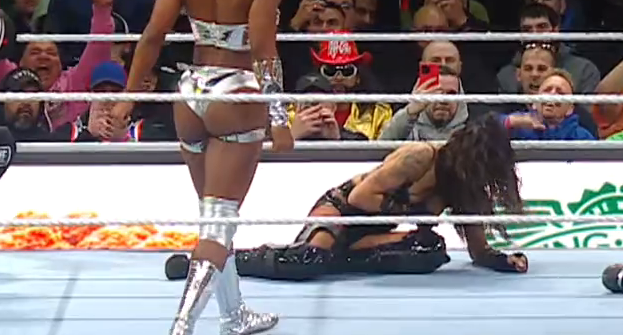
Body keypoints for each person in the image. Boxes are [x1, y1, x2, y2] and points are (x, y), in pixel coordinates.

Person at [124, 0, 292, 335]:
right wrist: (280, 117)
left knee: (213, 216)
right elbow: (264, 52)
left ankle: (234, 316)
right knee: (219, 221)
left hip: (190, 92)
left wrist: (131, 98)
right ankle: (181, 331)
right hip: (235, 94)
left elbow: (152, 37)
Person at [205, 115, 527, 280]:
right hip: (341, 210)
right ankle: (227, 261)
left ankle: (337, 259)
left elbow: (478, 250)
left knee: (430, 248)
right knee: (307, 260)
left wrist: (502, 260)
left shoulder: (462, 185)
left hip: (374, 232)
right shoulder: (421, 156)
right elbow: (360, 197)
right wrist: (409, 211)